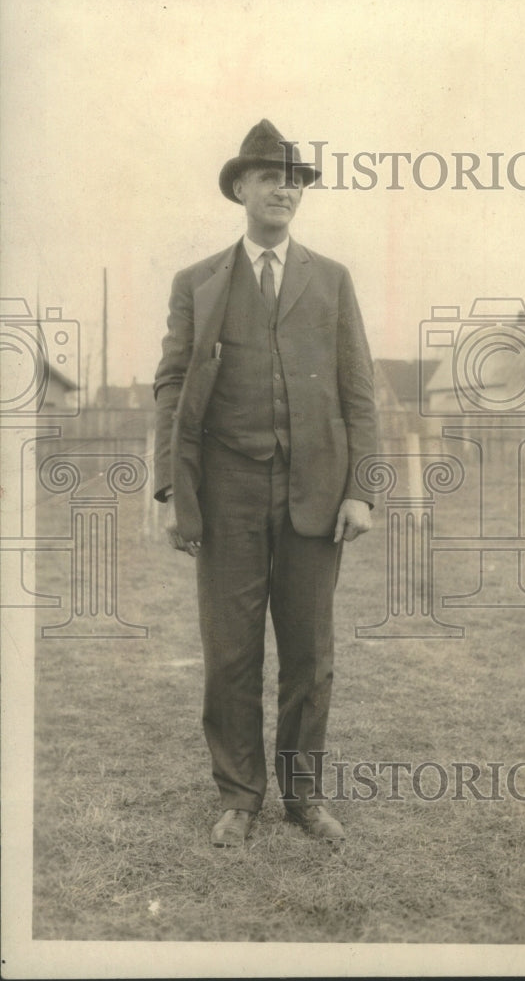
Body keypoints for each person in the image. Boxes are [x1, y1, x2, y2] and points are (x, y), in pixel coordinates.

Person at [153, 119, 377, 847]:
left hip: (317, 493)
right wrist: (172, 490)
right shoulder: (198, 282)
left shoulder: (332, 278)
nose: (285, 189)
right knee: (230, 653)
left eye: (295, 180)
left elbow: (358, 390)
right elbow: (171, 385)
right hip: (226, 494)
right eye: (271, 178)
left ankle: (302, 797)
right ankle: (239, 796)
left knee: (310, 655)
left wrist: (361, 489)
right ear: (241, 189)